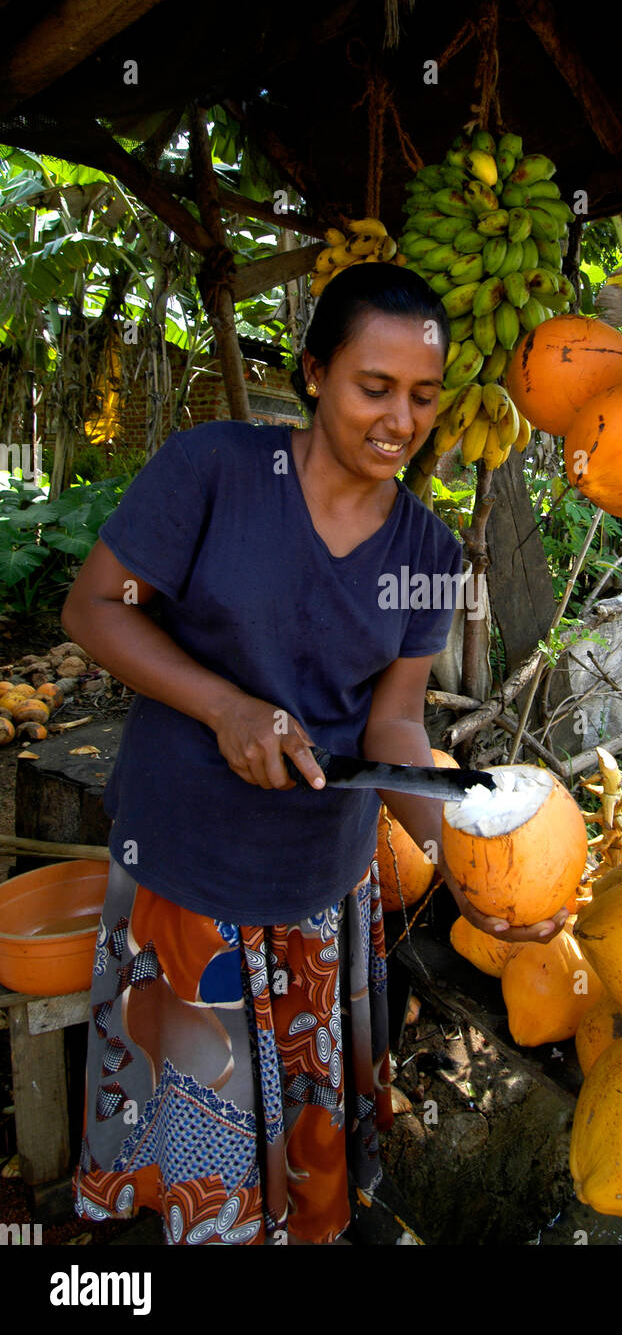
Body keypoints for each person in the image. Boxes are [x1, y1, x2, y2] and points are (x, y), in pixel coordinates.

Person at [61, 261, 567, 1246]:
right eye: (372, 387)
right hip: (186, 865)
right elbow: (93, 609)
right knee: (199, 1133)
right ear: (313, 373)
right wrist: (224, 707)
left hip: (316, 882)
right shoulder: (214, 470)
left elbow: (393, 727)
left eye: (422, 395)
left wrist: (478, 863)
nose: (399, 418)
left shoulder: (423, 551)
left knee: (299, 1151)